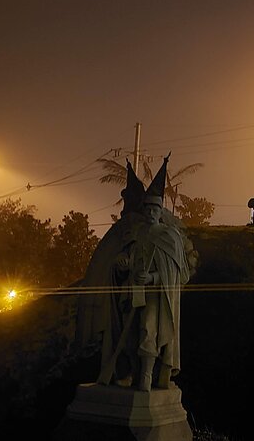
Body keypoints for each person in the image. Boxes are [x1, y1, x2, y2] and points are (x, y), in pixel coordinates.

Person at [78, 154, 191, 392]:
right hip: (131, 292)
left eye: (155, 208)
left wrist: (154, 278)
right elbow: (126, 259)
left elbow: (179, 275)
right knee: (126, 335)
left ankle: (147, 376)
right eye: (147, 208)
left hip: (155, 296)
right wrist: (122, 265)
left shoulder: (170, 238)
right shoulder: (134, 233)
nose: (150, 212)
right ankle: (129, 371)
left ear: (161, 211)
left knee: (149, 330)